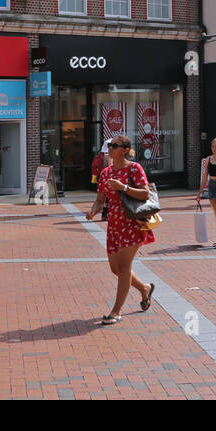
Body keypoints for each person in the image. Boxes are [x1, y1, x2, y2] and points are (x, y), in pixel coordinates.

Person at [86, 134, 155, 325]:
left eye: (114, 145)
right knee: (115, 269)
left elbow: (145, 193)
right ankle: (144, 289)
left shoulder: (134, 168)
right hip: (114, 224)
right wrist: (93, 211)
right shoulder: (106, 172)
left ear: (125, 149)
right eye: (109, 145)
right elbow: (100, 200)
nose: (110, 148)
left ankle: (116, 311)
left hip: (132, 223)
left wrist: (123, 187)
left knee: (124, 268)